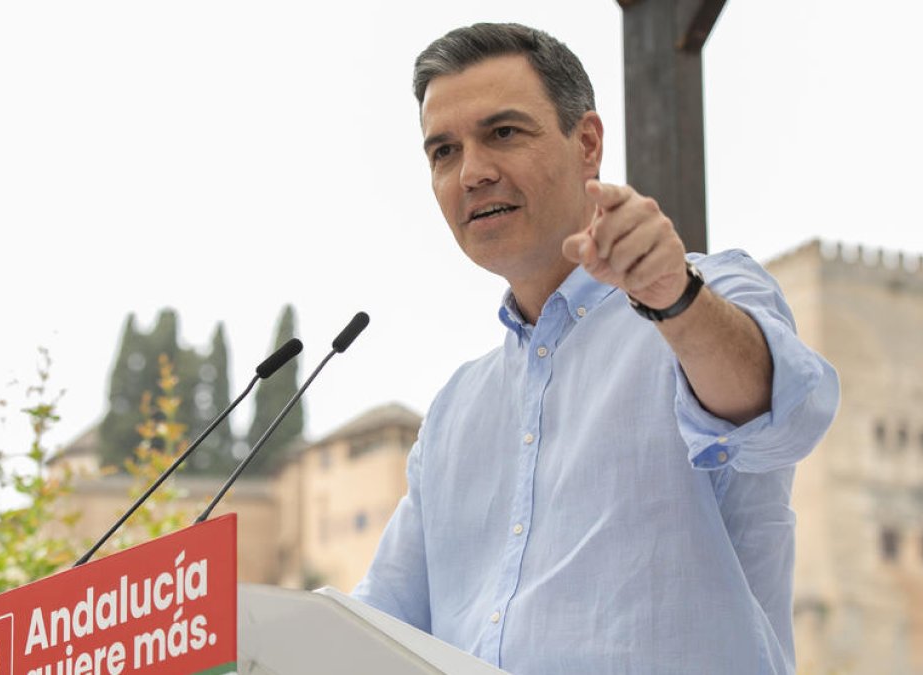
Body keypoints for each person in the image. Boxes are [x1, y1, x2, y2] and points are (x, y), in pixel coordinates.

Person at [352, 23, 839, 675]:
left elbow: (784, 416)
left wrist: (675, 299)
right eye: (443, 151)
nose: (471, 172)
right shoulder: (453, 414)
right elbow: (371, 630)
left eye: (502, 133)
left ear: (586, 144)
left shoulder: (705, 294)